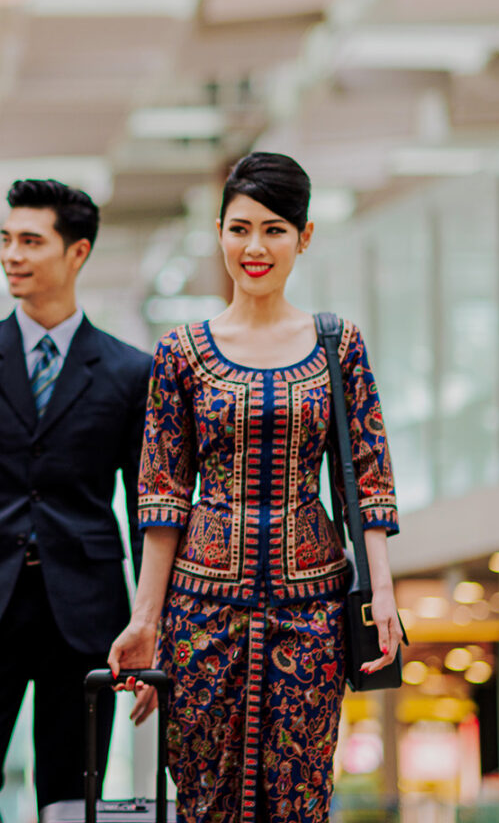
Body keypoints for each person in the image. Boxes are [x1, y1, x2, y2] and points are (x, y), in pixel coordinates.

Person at [107, 152, 404, 822]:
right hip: (200, 611)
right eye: (240, 229)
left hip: (312, 610)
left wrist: (382, 592)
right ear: (219, 233)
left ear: (304, 237)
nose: (255, 247)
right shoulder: (182, 351)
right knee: (205, 795)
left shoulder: (338, 344)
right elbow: (160, 494)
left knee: (299, 798)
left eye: (274, 229)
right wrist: (146, 618)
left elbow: (368, 475)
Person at [0, 180, 150, 819]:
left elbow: (143, 505)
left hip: (85, 611)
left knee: (72, 799)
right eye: (6, 240)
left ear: (77, 252)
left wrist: (150, 617)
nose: (11, 255)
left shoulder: (130, 371)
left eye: (31, 241)